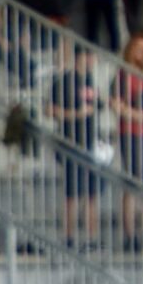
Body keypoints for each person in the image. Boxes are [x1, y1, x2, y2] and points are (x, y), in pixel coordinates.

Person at [48, 44, 103, 246]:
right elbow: (50, 110)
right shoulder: (64, 80)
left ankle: (92, 237)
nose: (94, 61)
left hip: (89, 141)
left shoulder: (90, 80)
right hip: (70, 141)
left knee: (91, 193)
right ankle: (69, 236)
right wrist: (76, 114)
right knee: (72, 194)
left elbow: (97, 105)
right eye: (91, 56)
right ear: (82, 57)